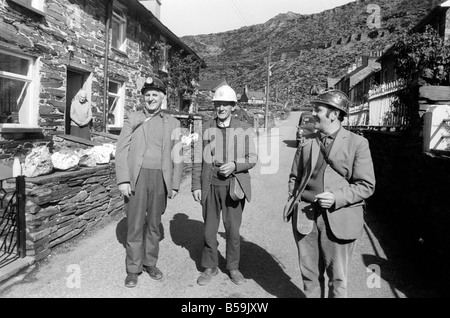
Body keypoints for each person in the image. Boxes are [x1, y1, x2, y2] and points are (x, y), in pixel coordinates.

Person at [285, 89, 375, 298]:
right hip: (306, 217)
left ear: (334, 114)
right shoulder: (307, 141)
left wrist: (336, 197)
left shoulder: (357, 143)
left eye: (318, 109)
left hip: (339, 218)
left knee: (338, 278)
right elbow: (294, 177)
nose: (313, 113)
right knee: (309, 275)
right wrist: (295, 198)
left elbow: (366, 185)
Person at [115, 75, 183, 288]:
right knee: (135, 224)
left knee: (154, 224)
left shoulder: (173, 123)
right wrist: (123, 180)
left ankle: (150, 263)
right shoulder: (132, 118)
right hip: (137, 178)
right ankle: (133, 269)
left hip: (160, 179)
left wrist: (174, 184)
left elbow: (177, 155)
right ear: (143, 98)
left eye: (155, 94)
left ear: (163, 97)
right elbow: (121, 150)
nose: (151, 98)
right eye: (147, 95)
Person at [192, 84, 257, 286]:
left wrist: (235, 165)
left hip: (233, 186)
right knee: (209, 229)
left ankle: (233, 267)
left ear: (233, 107)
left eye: (225, 105)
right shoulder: (206, 128)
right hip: (210, 185)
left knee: (232, 230)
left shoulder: (244, 128)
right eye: (218, 104)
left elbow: (252, 158)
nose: (221, 108)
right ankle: (210, 266)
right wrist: (196, 185)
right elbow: (197, 159)